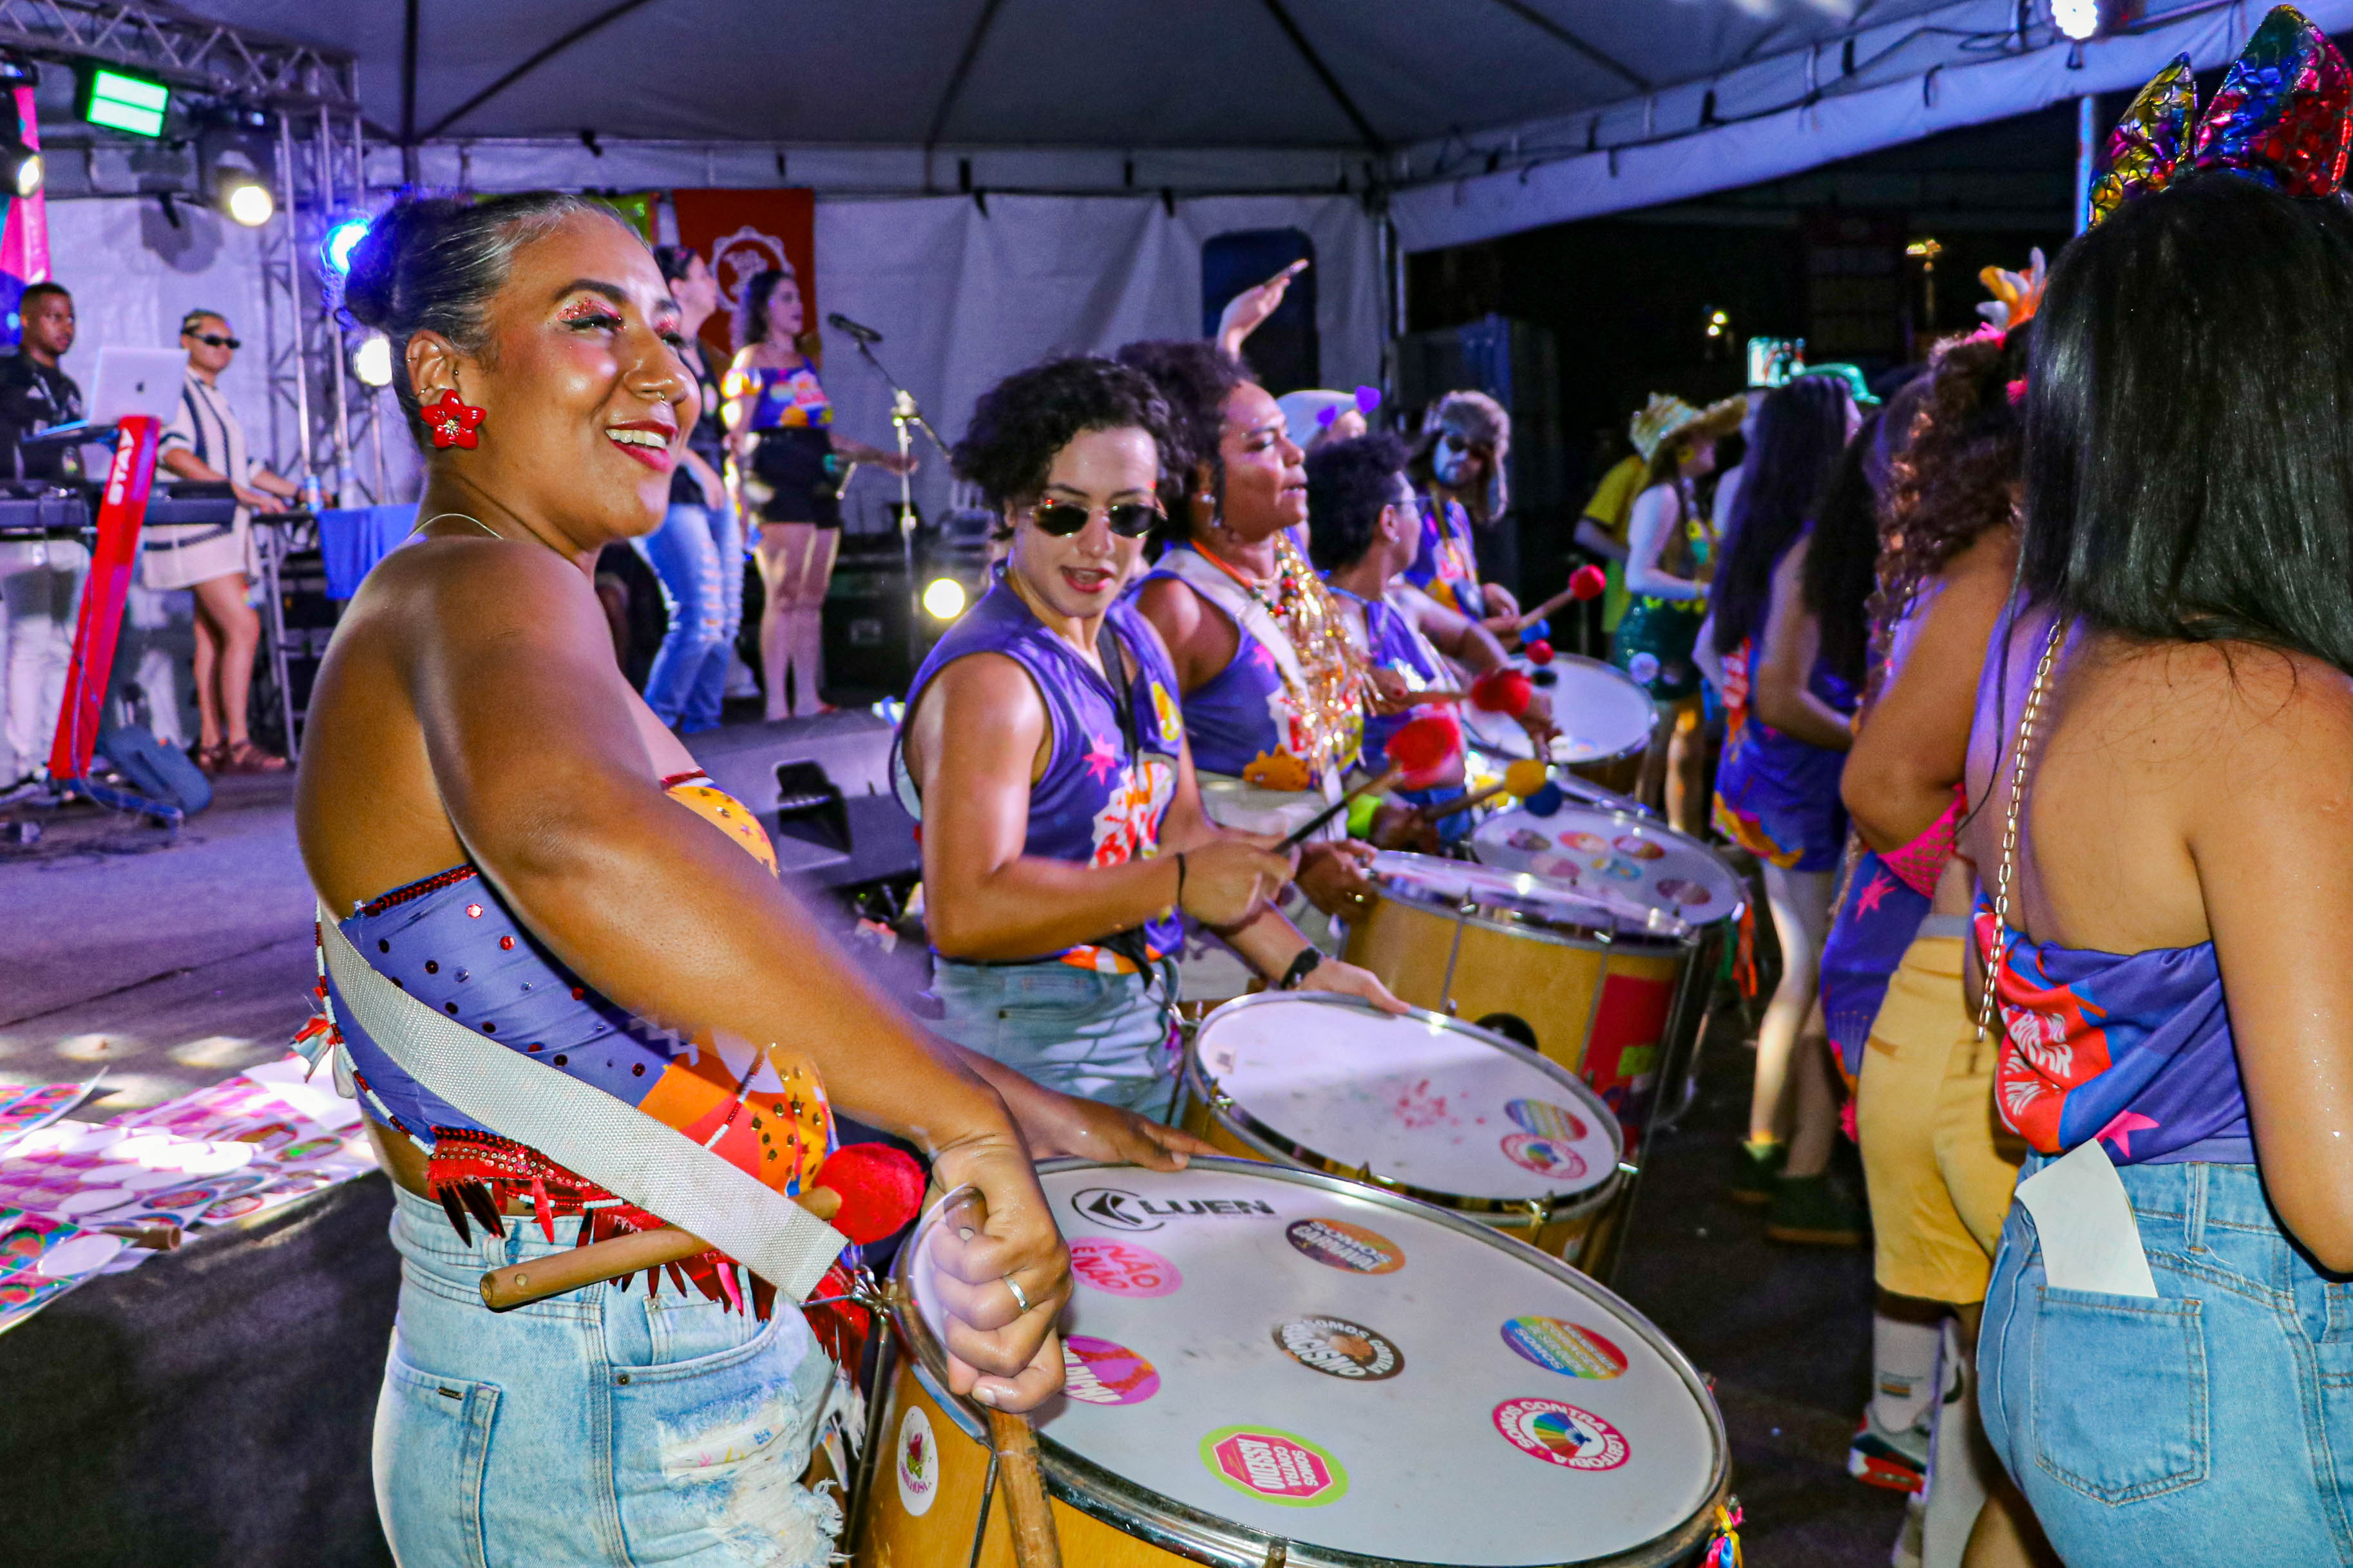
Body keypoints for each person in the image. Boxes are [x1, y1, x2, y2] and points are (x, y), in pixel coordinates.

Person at [312, 191, 1103, 1567]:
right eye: (593, 323)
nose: (667, 376)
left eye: (672, 334)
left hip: (625, 1379)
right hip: (607, 1407)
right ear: (448, 374)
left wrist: (1040, 1115)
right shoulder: (480, 586)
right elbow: (571, 837)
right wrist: (966, 1125)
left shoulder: (521, 607)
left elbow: (730, 984)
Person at [1966, 21, 2353, 1561]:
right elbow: (2336, 1195)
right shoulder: (2259, 706)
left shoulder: (2050, 652)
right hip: (2223, 1347)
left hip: (2064, 1297)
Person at [899, 356, 1400, 1115]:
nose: (1098, 543)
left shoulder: (1134, 639)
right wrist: (1175, 882)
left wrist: (1304, 969)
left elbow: (1181, 832)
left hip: (1139, 1033)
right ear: (1012, 503)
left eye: (1128, 514)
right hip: (1024, 1062)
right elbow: (965, 912)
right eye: (1065, 512)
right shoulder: (994, 681)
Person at [1837, 329, 2038, 1559]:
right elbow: (1879, 784)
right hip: (1956, 1005)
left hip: (1955, 1001)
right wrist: (1983, 885)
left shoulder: (2006, 568)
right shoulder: (1996, 574)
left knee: (1988, 1413)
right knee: (2013, 1417)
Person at [1121, 339, 1375, 965]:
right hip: (1218, 965)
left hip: (1304, 945)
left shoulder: (1285, 576)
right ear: (1202, 480)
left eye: (1285, 436)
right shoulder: (1175, 609)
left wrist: (1365, 825)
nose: (1295, 453)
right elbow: (1136, 802)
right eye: (1263, 444)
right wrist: (1300, 863)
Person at [1695, 375, 1863, 1245]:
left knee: (1800, 973)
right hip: (1797, 784)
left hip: (1765, 780)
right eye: (1854, 423)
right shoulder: (1806, 550)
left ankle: (1766, 1148)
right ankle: (1794, 1167)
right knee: (1817, 976)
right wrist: (1867, 732)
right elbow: (1779, 694)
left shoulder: (1763, 538)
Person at [1305, 431, 1553, 846]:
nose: (1421, 520)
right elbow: (1327, 759)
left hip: (1450, 812)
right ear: (1389, 523)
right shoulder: (1337, 627)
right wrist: (1374, 815)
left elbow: (1468, 636)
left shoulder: (1401, 600)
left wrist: (1512, 689)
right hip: (1395, 833)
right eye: (1414, 507)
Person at [724, 264, 911, 720]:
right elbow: (737, 433)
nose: (798, 306)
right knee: (783, 592)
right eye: (786, 298)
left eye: (798, 297)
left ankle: (808, 697)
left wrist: (881, 457)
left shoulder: (806, 364)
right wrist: (741, 498)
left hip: (819, 475)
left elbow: (824, 435)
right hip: (777, 474)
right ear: (764, 308)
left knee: (812, 595)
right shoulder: (752, 359)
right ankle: (776, 703)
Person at [148, 310, 302, 774]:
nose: (222, 349)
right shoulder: (178, 389)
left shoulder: (210, 395)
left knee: (212, 635)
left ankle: (212, 741)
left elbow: (244, 465)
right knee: (243, 625)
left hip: (218, 527)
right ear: (185, 340)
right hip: (198, 526)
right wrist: (240, 493)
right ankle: (239, 740)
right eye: (212, 339)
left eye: (230, 343)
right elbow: (174, 454)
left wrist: (295, 492)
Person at [1615, 391, 1743, 834]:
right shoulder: (1662, 497)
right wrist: (1705, 590)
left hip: (1681, 636)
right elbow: (1638, 575)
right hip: (1655, 638)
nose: (1713, 444)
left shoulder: (1685, 495)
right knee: (1652, 752)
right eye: (1703, 438)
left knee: (1687, 747)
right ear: (1680, 449)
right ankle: (1635, 841)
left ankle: (1683, 838)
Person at [633, 246, 738, 733]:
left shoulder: (699, 350)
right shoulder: (655, 346)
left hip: (713, 493)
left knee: (725, 624)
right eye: (704, 275)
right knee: (700, 618)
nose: (713, 284)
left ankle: (705, 733)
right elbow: (648, 421)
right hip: (673, 489)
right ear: (677, 287)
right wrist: (696, 464)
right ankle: (656, 737)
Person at [0, 282, 83, 787]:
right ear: (27, 320)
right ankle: (20, 765)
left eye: (70, 317)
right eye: (54, 316)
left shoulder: (68, 386)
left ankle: (56, 761)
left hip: (69, 522)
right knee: (30, 641)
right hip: (21, 522)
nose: (65, 327)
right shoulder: (6, 377)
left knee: (62, 645)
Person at [1402, 390, 1520, 637]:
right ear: (1434, 441)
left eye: (1478, 452)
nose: (1465, 456)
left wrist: (1484, 595)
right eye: (1456, 444)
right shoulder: (1406, 505)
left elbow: (1452, 586)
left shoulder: (1458, 514)